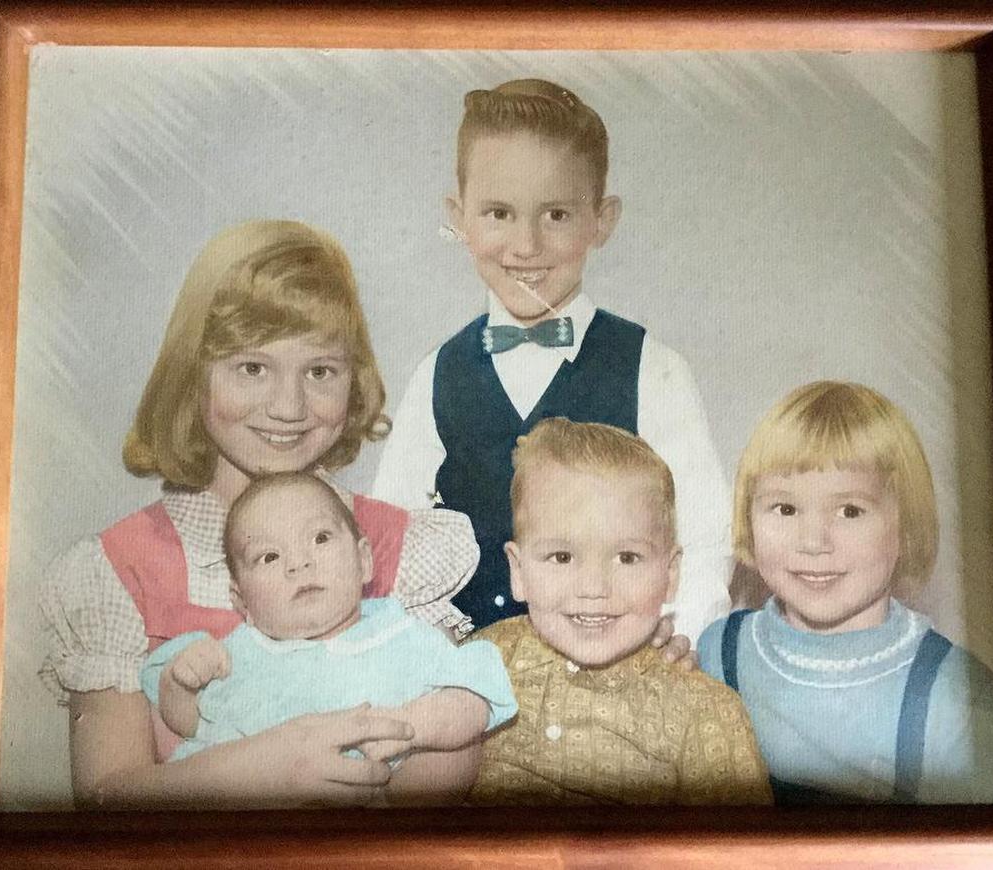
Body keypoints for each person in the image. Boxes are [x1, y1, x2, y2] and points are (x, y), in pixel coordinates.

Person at [39, 220, 480, 808]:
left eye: (320, 371)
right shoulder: (121, 570)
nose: (289, 407)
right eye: (252, 368)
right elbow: (106, 797)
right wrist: (264, 767)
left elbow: (445, 768)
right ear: (193, 374)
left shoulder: (399, 550)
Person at [372, 78, 731, 641]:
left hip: (610, 666)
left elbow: (706, 534)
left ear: (601, 220)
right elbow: (388, 536)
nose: (527, 245)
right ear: (460, 218)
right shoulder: (438, 374)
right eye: (498, 213)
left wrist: (680, 627)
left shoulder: (651, 370)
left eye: (556, 215)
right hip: (467, 677)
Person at [697, 381, 993, 804]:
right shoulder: (717, 653)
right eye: (786, 508)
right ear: (748, 518)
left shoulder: (956, 697)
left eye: (850, 510)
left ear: (906, 527)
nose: (814, 541)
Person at [141, 472, 516, 804]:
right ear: (242, 601)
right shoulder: (234, 653)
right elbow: (186, 723)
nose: (298, 563)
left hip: (372, 806)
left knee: (452, 753)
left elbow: (477, 697)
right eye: (269, 557)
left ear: (364, 560)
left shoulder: (401, 633)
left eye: (320, 537)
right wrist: (181, 682)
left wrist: (413, 724)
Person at [468, 419, 772, 806]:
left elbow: (742, 853)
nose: (594, 588)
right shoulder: (472, 668)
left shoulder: (707, 714)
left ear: (670, 574)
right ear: (519, 571)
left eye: (627, 558)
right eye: (562, 556)